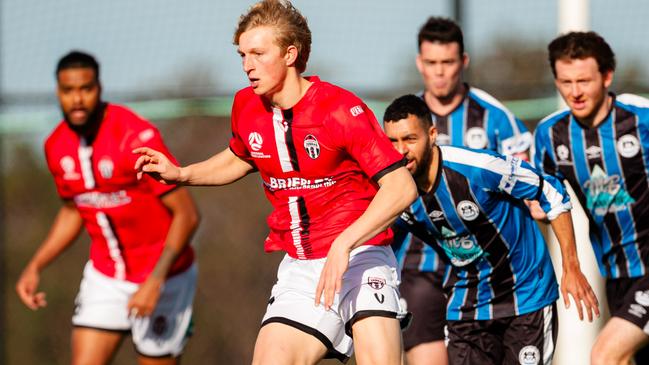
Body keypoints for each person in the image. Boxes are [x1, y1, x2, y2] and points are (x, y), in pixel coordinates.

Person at [134, 1, 417, 364]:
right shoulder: (246, 106)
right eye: (242, 55)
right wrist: (183, 173)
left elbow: (401, 188)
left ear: (290, 54)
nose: (247, 65)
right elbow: (242, 155)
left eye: (257, 53)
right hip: (302, 267)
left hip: (361, 259)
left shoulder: (340, 109)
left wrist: (344, 244)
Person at [384, 94, 599, 365]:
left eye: (410, 139)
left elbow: (550, 191)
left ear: (432, 135)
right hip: (467, 304)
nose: (401, 150)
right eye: (392, 141)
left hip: (526, 296)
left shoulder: (478, 168)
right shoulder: (395, 193)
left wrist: (571, 267)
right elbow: (383, 241)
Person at [15, 51, 200, 365]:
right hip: (106, 277)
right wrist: (36, 264)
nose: (77, 99)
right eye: (68, 90)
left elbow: (188, 215)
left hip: (166, 277)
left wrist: (155, 281)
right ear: (58, 91)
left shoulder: (134, 136)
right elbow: (73, 210)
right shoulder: (55, 146)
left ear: (99, 88)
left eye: (85, 89)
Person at [396, 17, 533, 365]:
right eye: (431, 63)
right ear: (419, 63)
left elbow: (528, 187)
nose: (439, 72)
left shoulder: (495, 118)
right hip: (421, 265)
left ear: (464, 62)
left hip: (489, 271)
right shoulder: (403, 124)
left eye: (448, 63)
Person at [534, 31, 649, 365]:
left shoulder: (641, 119)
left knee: (605, 354)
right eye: (565, 81)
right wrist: (537, 208)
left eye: (584, 80)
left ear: (607, 76)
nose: (575, 91)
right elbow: (547, 199)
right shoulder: (550, 134)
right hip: (616, 271)